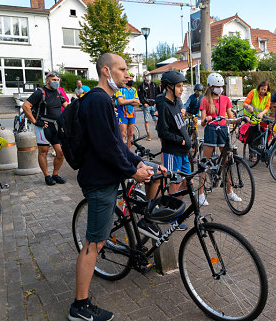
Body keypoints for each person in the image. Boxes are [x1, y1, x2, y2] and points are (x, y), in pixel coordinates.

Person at [69, 53, 163, 321]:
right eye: (122, 69)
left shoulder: (104, 100)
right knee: (94, 243)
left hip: (107, 176)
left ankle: (145, 223)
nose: (127, 74)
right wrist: (133, 172)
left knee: (154, 174)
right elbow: (106, 147)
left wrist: (140, 162)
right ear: (106, 71)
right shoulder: (98, 100)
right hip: (99, 182)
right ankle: (80, 306)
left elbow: (119, 145)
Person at [198, 72, 242, 206]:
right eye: (217, 86)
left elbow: (230, 117)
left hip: (223, 130)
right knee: (205, 162)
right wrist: (206, 119)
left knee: (227, 161)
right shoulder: (204, 100)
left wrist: (240, 120)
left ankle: (230, 191)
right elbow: (202, 122)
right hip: (211, 130)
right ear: (211, 87)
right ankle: (200, 194)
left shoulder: (225, 99)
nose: (220, 88)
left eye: (221, 86)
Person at [155, 70, 191, 231]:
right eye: (179, 86)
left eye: (182, 86)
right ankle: (172, 218)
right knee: (174, 183)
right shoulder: (163, 105)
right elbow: (162, 132)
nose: (182, 89)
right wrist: (181, 140)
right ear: (169, 87)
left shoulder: (177, 101)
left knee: (186, 181)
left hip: (183, 152)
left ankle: (177, 211)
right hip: (172, 151)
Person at [21, 72, 68, 185]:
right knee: (43, 151)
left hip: (56, 126)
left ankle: (55, 174)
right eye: (54, 80)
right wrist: (35, 122)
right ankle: (47, 176)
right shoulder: (39, 93)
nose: (56, 82)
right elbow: (25, 106)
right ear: (47, 80)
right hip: (43, 126)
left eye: (57, 80)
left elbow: (67, 106)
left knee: (60, 153)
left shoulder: (58, 92)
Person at [242, 81, 271, 149]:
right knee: (252, 134)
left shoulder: (268, 95)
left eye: (265, 90)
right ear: (259, 88)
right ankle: (251, 152)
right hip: (249, 116)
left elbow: (267, 107)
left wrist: (262, 113)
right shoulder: (253, 92)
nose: (263, 91)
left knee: (262, 132)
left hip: (258, 117)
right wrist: (248, 106)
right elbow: (245, 103)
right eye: (262, 89)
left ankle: (261, 149)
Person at [115, 72, 139, 149]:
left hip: (132, 114)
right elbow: (120, 102)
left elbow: (138, 102)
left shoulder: (134, 90)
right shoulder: (120, 89)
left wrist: (126, 101)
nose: (131, 80)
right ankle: (121, 153)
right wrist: (132, 100)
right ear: (125, 79)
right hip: (123, 115)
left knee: (131, 134)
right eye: (129, 78)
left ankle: (128, 152)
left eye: (132, 78)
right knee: (123, 134)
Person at [138, 71, 161, 141]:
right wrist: (144, 103)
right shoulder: (142, 85)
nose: (149, 76)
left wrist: (156, 102)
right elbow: (140, 95)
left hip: (153, 105)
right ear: (144, 77)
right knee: (146, 121)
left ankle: (159, 135)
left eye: (149, 74)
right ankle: (148, 134)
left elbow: (157, 94)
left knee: (156, 120)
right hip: (146, 106)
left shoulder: (154, 84)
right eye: (147, 75)